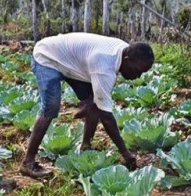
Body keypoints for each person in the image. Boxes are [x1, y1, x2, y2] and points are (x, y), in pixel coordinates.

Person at [19, 32, 154, 179]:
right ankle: (28, 162)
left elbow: (99, 105)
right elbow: (107, 118)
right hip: (47, 56)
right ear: (128, 60)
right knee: (51, 105)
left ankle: (85, 146)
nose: (138, 77)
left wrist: (92, 105)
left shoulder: (123, 51)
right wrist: (126, 153)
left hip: (72, 62)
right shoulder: (104, 66)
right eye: (137, 71)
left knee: (94, 101)